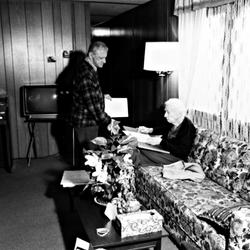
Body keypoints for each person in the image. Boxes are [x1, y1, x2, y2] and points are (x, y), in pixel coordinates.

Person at [70, 41, 115, 166]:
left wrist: (101, 95)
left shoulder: (89, 69)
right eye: (101, 58)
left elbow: (88, 93)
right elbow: (94, 108)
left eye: (105, 57)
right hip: (86, 123)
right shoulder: (86, 74)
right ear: (91, 55)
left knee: (90, 156)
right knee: (90, 158)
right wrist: (110, 121)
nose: (104, 61)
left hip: (87, 122)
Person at [137, 98, 197, 165]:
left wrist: (161, 142)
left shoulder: (188, 127)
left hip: (176, 158)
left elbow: (182, 152)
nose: (165, 115)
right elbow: (164, 129)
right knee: (140, 149)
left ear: (178, 114)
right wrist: (150, 130)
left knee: (141, 152)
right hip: (166, 151)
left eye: (168, 112)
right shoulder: (174, 122)